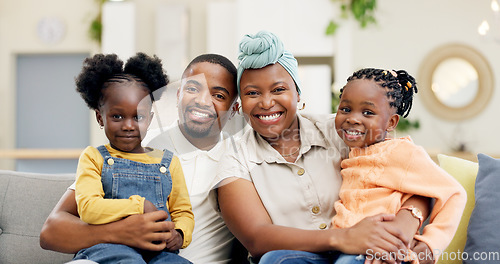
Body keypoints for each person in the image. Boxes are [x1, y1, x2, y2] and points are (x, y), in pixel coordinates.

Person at [212, 30, 432, 264]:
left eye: (278, 90)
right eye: (252, 93)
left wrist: (401, 231)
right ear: (241, 104)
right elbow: (257, 238)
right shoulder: (235, 158)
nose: (266, 103)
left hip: (365, 254)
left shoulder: (342, 129)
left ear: (297, 93)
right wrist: (343, 238)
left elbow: (418, 181)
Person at [39, 53, 243, 264]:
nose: (202, 100)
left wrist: (180, 234)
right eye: (192, 88)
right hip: (110, 254)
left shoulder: (239, 156)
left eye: (219, 95)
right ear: (178, 94)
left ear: (235, 107)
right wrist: (121, 231)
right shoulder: (135, 144)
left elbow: (184, 214)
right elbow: (51, 231)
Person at [330, 68, 467, 263]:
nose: (352, 118)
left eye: (367, 112)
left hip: (376, 252)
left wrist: (430, 245)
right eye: (345, 109)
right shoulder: (354, 150)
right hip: (341, 244)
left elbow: (454, 192)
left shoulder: (402, 152)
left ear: (391, 123)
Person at [70, 52, 194, 264]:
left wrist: (180, 234)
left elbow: (183, 211)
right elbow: (89, 208)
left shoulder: (168, 162)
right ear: (100, 117)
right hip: (108, 249)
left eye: (138, 117)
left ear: (150, 119)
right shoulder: (93, 158)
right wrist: (139, 205)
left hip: (159, 250)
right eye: (117, 116)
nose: (128, 125)